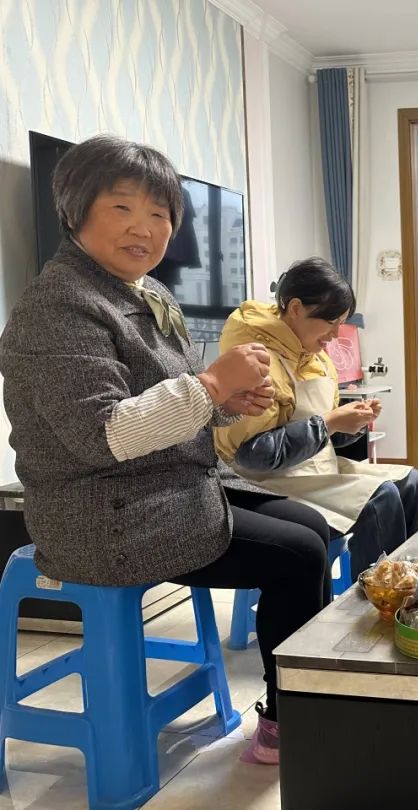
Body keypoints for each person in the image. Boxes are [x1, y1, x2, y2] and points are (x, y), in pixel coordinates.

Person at [0, 134, 332, 765]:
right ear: (75, 209)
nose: (144, 228)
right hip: (103, 515)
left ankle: (308, 701)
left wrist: (225, 401)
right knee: (299, 554)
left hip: (165, 485)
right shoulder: (59, 306)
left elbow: (166, 399)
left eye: (160, 214)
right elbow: (104, 434)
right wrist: (211, 386)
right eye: (122, 207)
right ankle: (288, 722)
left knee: (312, 525)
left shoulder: (144, 292)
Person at [214, 258, 418, 579]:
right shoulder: (255, 358)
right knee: (379, 498)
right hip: (266, 483)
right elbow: (254, 457)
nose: (336, 334)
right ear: (296, 308)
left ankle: (416, 584)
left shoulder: (312, 354)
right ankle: (377, 597)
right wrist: (329, 423)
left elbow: (323, 433)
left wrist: (351, 424)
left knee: (411, 482)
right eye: (331, 321)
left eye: (341, 322)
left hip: (311, 470)